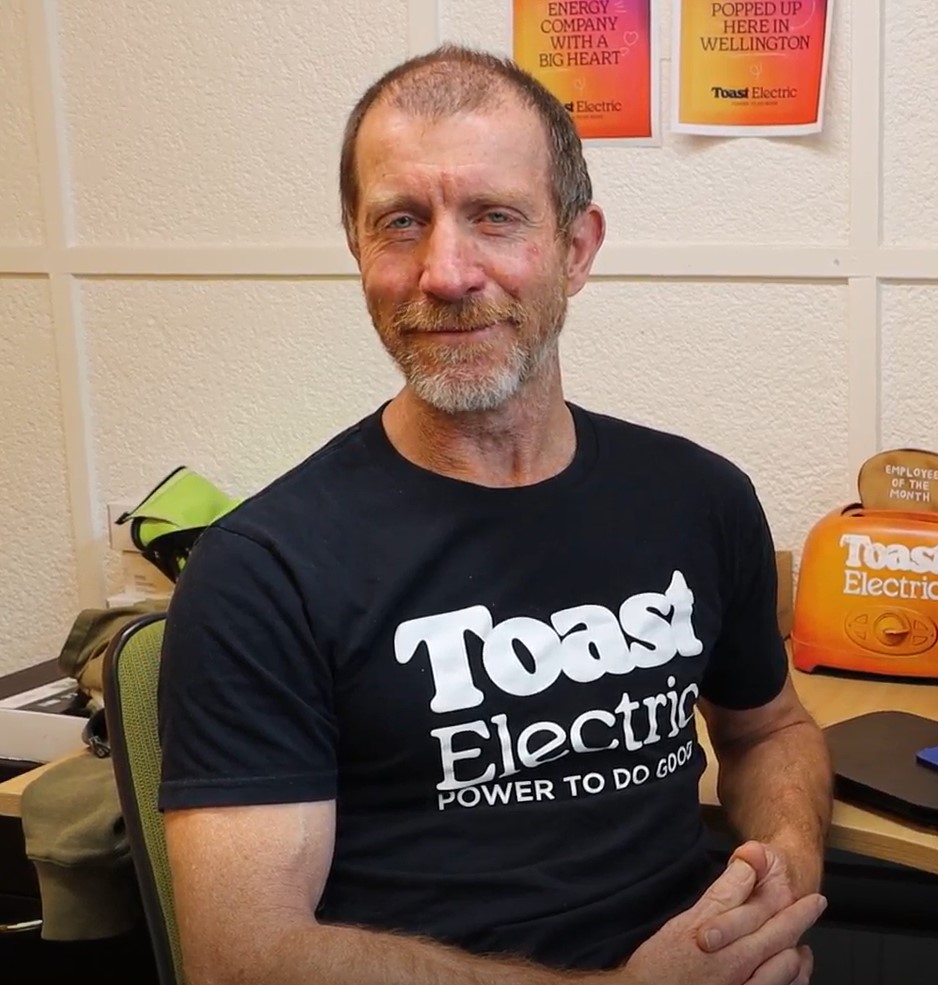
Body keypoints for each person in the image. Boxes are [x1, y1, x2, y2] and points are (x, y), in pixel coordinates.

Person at [153, 43, 833, 985]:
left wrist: (783, 874)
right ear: (357, 248)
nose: (446, 272)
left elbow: (767, 731)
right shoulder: (262, 572)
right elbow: (240, 957)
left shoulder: (700, 497)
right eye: (400, 222)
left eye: (494, 217)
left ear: (577, 247)